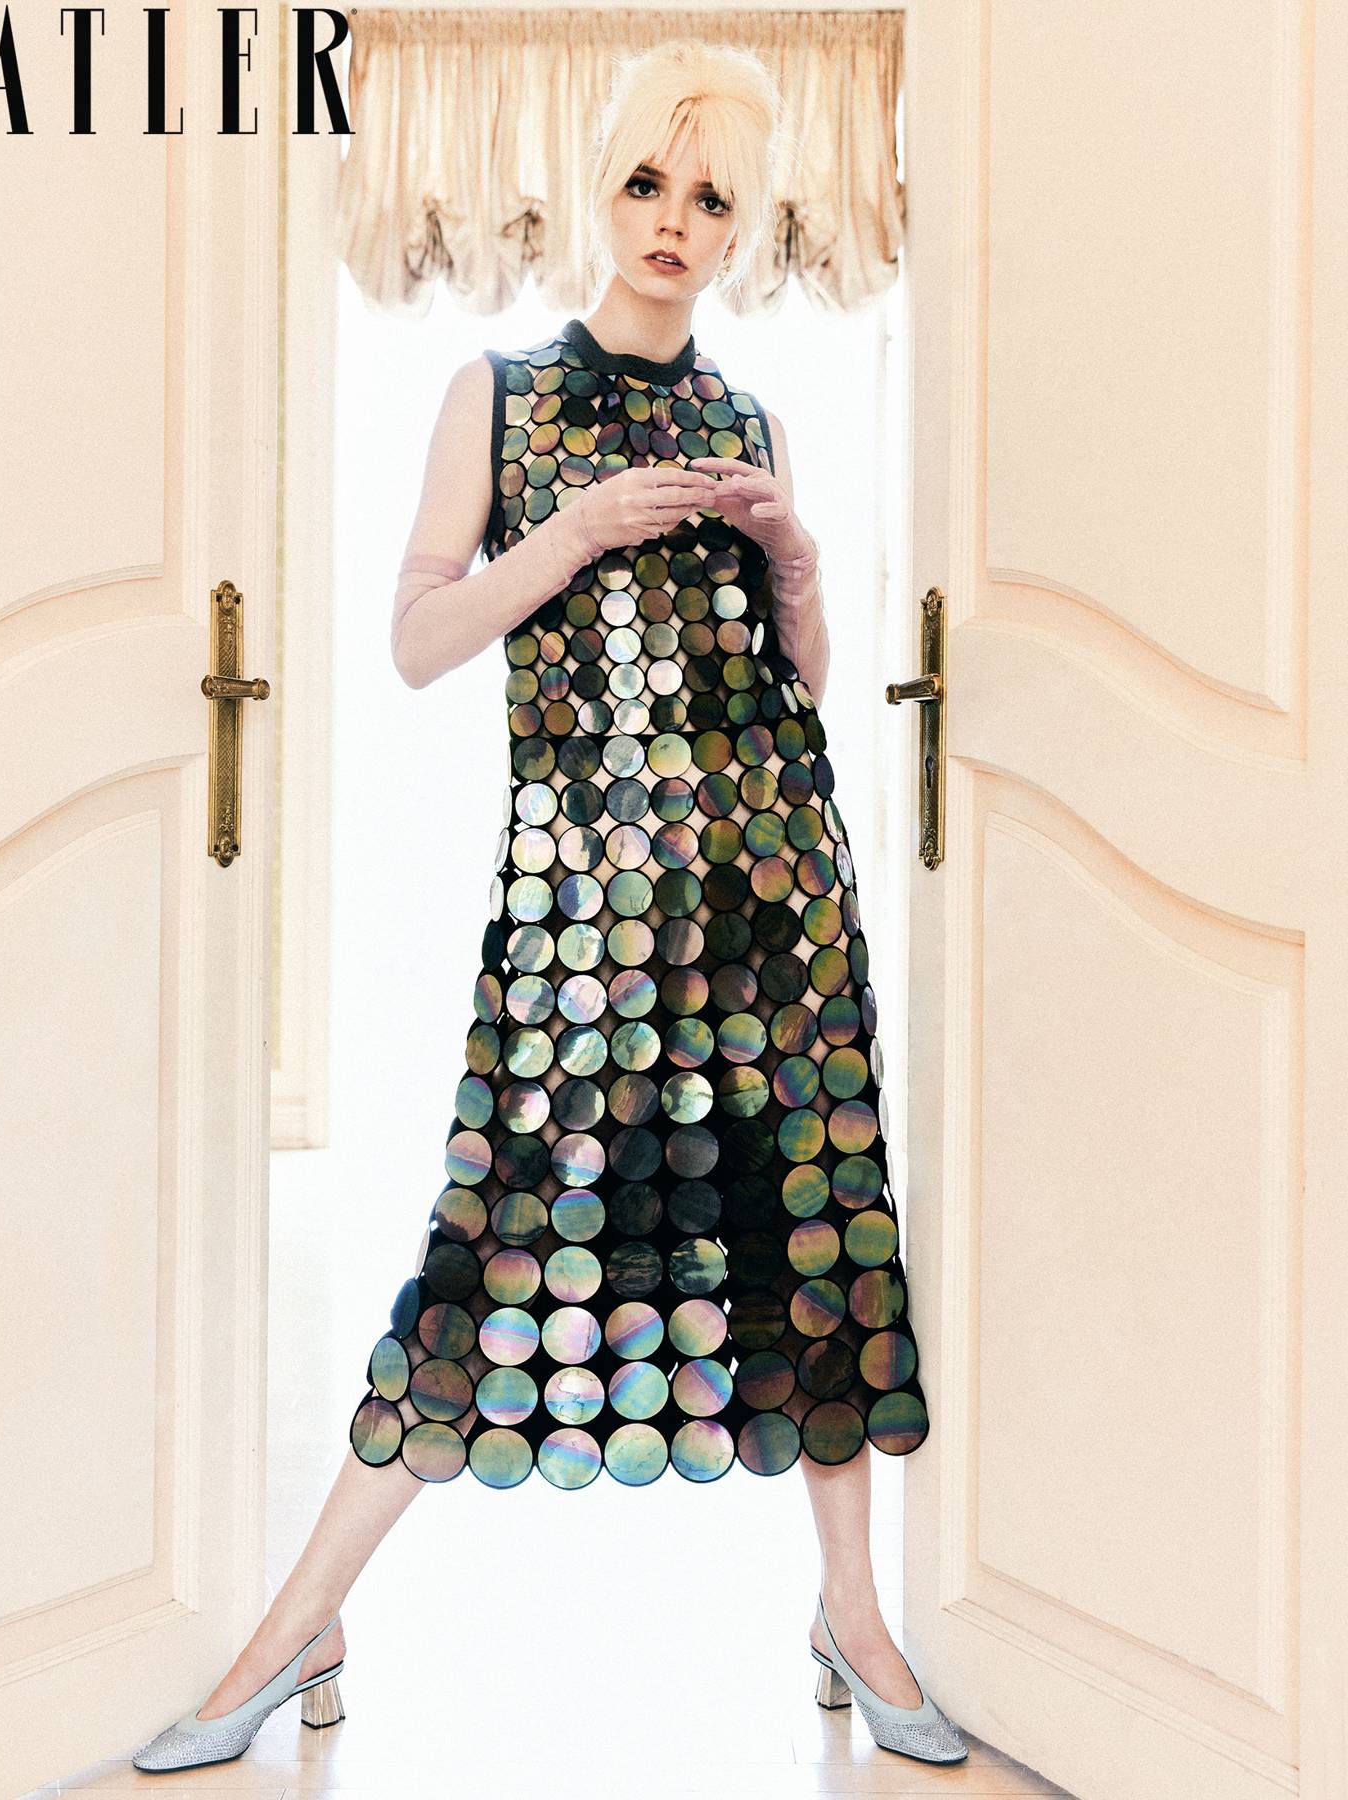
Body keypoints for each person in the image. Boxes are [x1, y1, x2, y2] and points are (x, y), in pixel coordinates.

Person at [130, 37, 968, 1775]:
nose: (675, 221)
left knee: (816, 1250)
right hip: (585, 920)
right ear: (599, 183)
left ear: (743, 228)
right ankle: (301, 1624)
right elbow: (418, 638)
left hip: (774, 902)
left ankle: (854, 1613)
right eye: (649, 181)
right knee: (496, 1252)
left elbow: (798, 683)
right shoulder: (499, 396)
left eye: (713, 198)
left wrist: (799, 559)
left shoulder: (750, 418)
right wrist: (572, 531)